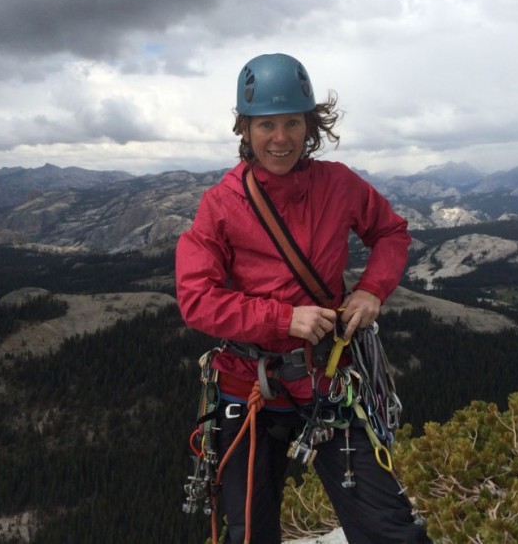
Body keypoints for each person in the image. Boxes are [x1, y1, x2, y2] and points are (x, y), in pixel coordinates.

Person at [176, 53, 431, 544]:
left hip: (327, 376)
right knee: (248, 534)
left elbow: (391, 232)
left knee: (390, 529)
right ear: (244, 129)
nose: (280, 137)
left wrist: (372, 290)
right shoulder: (223, 204)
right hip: (248, 384)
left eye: (292, 122)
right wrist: (282, 319)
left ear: (310, 125)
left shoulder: (337, 184)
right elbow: (196, 299)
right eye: (265, 124)